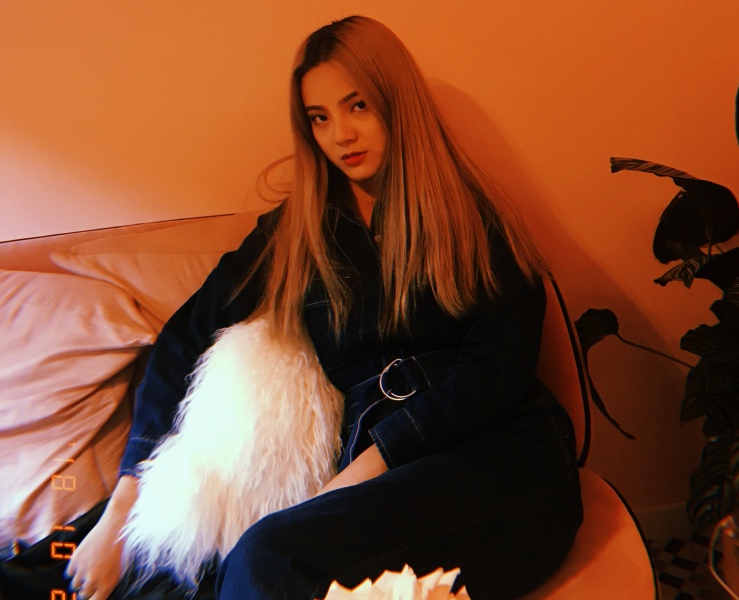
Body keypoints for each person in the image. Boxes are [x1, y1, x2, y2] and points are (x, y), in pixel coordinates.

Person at [64, 15, 582, 600]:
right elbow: (183, 340)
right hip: (380, 481)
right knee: (225, 568)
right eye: (320, 117)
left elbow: (496, 371)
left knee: (266, 555)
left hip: (500, 459)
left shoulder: (470, 217)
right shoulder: (296, 235)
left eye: (358, 106)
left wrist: (362, 473)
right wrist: (120, 514)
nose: (341, 135)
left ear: (397, 103)